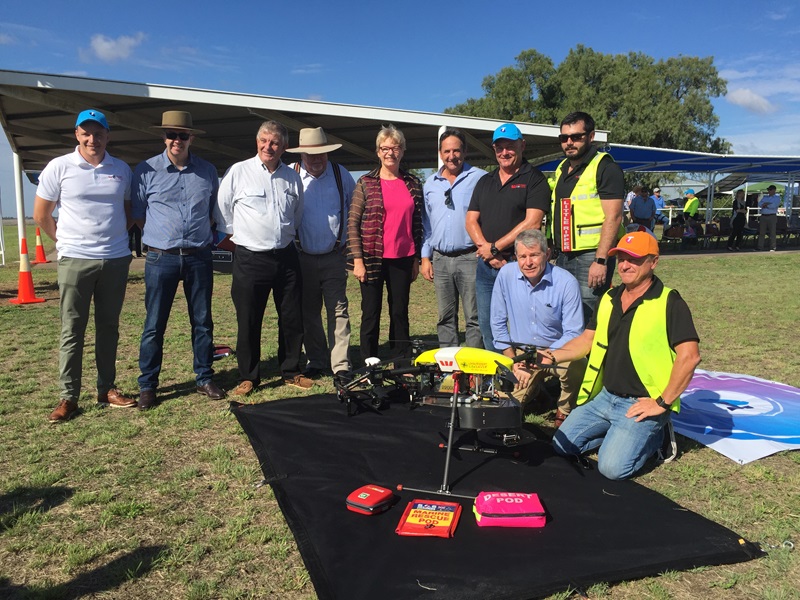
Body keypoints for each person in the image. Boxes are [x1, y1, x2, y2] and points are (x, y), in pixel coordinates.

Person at [551, 231, 701, 480]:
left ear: (653, 262)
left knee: (611, 469)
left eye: (634, 259)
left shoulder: (669, 302)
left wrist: (661, 403)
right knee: (561, 445)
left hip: (643, 403)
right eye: (621, 258)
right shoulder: (609, 298)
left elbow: (690, 357)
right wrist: (552, 356)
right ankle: (619, 434)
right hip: (605, 397)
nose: (625, 265)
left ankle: (659, 439)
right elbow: (587, 340)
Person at [33, 109, 136, 422]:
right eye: (86, 133)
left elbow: (128, 212)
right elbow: (41, 214)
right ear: (77, 135)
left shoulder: (121, 169)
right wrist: (64, 243)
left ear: (108, 135)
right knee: (72, 329)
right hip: (75, 259)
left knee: (108, 328)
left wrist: (115, 240)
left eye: (99, 133)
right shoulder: (59, 167)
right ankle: (69, 397)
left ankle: (106, 389)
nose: (93, 139)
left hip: (115, 259)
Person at [131, 111, 224, 410]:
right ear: (164, 137)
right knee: (154, 324)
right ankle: (148, 385)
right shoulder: (145, 170)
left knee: (203, 321)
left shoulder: (207, 171)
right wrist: (162, 238)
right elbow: (139, 214)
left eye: (183, 135)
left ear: (191, 138)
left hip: (199, 256)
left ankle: (204, 377)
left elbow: (213, 211)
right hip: (161, 258)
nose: (177, 140)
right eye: (171, 134)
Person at [213, 120, 313, 394]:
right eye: (264, 141)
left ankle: (291, 370)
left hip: (286, 257)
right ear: (257, 142)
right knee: (248, 318)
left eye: (275, 142)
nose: (268, 146)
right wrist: (245, 240)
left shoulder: (292, 178)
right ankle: (249, 376)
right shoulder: (238, 172)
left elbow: (297, 214)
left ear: (284, 147)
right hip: (250, 258)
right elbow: (223, 214)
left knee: (291, 317)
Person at [465, 123, 550, 352]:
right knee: (488, 324)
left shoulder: (534, 179)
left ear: (522, 145)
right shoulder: (485, 181)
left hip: (521, 265)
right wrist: (488, 252)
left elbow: (531, 222)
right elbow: (471, 220)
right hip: (487, 267)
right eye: (499, 147)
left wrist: (494, 248)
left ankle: (523, 378)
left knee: (524, 325)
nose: (504, 152)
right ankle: (496, 379)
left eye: (510, 146)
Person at [490, 229, 585, 427]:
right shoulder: (506, 274)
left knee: (577, 364)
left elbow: (573, 332)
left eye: (534, 255)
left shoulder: (566, 282)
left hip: (558, 351)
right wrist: (513, 360)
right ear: (516, 257)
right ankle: (538, 393)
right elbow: (497, 322)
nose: (528, 262)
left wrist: (544, 356)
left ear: (548, 254)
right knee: (503, 412)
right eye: (522, 256)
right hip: (521, 354)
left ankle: (564, 410)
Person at [347, 124, 423, 364]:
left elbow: (418, 223)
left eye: (395, 147)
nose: (390, 152)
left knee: (399, 312)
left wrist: (416, 259)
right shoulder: (366, 182)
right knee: (371, 313)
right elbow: (352, 224)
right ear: (378, 152)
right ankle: (369, 360)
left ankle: (401, 359)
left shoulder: (412, 183)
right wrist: (357, 261)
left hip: (402, 257)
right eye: (385, 148)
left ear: (402, 151)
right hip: (371, 257)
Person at [286, 127, 356, 379]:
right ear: (301, 155)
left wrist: (350, 243)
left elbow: (354, 208)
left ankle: (341, 365)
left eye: (321, 154)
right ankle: (316, 359)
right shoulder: (290, 175)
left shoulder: (341, 174)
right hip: (301, 256)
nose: (317, 160)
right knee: (309, 311)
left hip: (334, 256)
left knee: (338, 310)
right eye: (310, 155)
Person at [549, 111, 625, 323]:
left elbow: (614, 217)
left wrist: (600, 260)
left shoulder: (605, 167)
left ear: (591, 137)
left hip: (591, 256)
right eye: (564, 138)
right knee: (567, 313)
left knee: (589, 315)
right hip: (564, 255)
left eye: (576, 137)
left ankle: (594, 357)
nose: (569, 142)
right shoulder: (562, 168)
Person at [422, 128, 487, 348]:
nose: (452, 156)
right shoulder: (430, 183)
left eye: (457, 150)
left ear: (465, 151)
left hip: (470, 257)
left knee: (474, 318)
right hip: (440, 260)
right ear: (440, 153)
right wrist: (425, 257)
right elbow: (426, 224)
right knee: (445, 317)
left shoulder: (480, 178)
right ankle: (448, 368)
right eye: (447, 151)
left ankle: (473, 369)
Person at [757, 185, 781, 252]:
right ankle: (760, 247)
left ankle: (773, 247)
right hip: (763, 216)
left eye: (770, 190)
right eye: (768, 190)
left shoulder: (777, 198)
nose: (769, 191)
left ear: (774, 190)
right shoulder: (765, 197)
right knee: (762, 232)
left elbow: (774, 205)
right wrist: (766, 204)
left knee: (772, 232)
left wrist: (766, 205)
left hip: (772, 216)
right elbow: (759, 204)